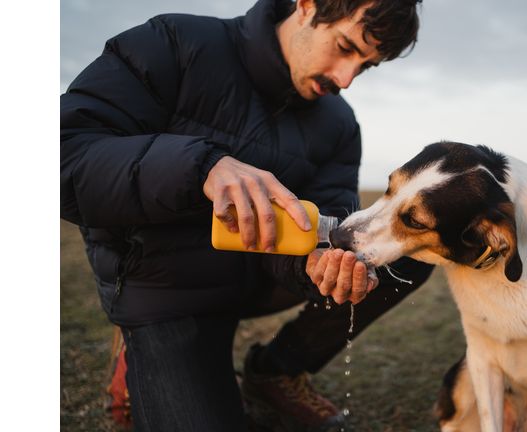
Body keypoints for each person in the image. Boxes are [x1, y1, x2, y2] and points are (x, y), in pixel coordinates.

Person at [59, 0, 433, 431]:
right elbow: (62, 155)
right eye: (345, 46)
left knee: (405, 252)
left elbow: (325, 218)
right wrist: (199, 167)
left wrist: (317, 263)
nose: (345, 79)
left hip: (259, 276)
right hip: (167, 291)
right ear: (306, 6)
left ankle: (274, 370)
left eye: (366, 66)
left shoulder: (339, 123)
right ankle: (143, 355)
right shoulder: (175, 44)